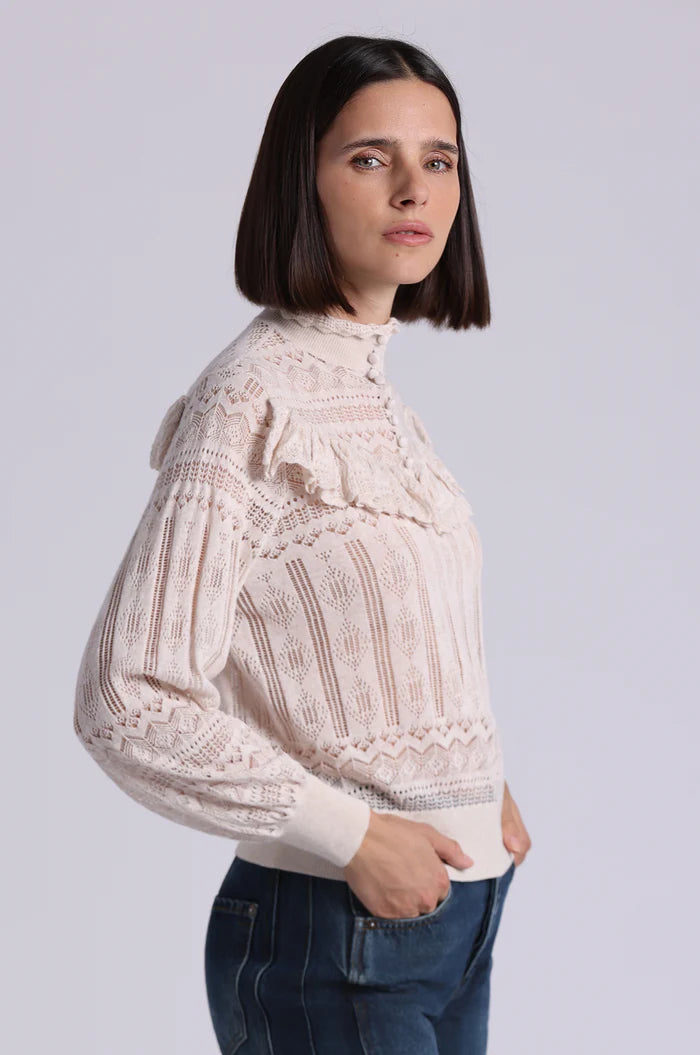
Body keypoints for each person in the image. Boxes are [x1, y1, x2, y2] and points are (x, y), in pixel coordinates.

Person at [73, 33, 532, 1055]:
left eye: (439, 159)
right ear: (302, 180)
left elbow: (375, 647)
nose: (414, 188)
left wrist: (475, 780)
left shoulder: (377, 401)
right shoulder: (251, 400)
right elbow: (127, 697)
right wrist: (354, 833)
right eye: (370, 157)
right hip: (336, 932)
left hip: (458, 919)